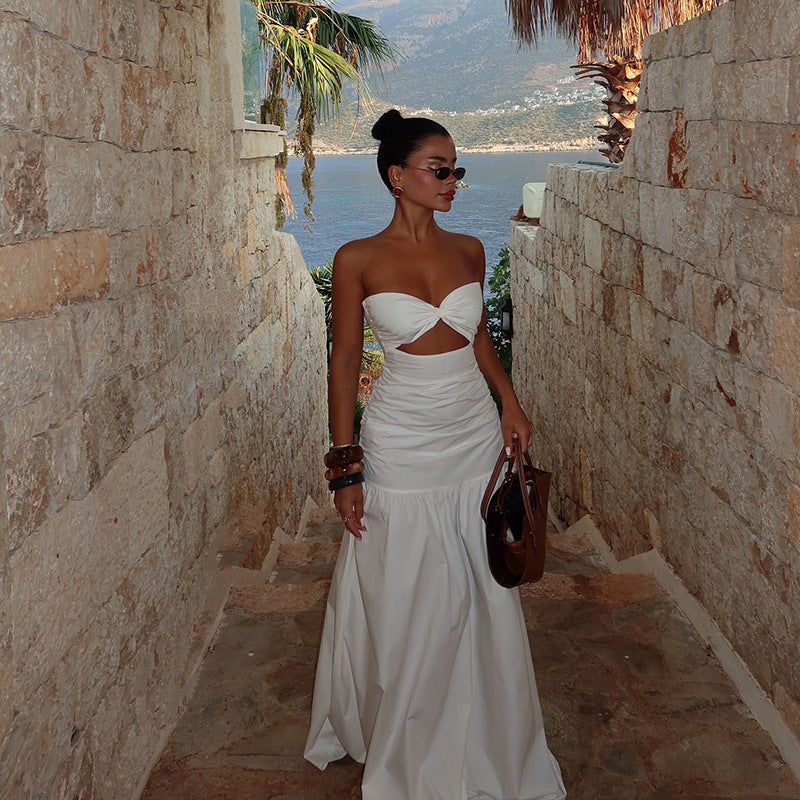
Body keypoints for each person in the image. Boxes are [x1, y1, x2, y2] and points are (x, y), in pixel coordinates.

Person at [304, 109, 566, 800]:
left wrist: (509, 402)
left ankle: (489, 734)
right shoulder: (357, 259)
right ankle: (410, 735)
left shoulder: (470, 251)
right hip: (400, 437)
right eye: (439, 169)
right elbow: (343, 363)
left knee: (480, 583)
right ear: (398, 176)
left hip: (472, 430)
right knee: (409, 586)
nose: (452, 181)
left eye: (457, 170)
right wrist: (345, 466)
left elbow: (476, 336)